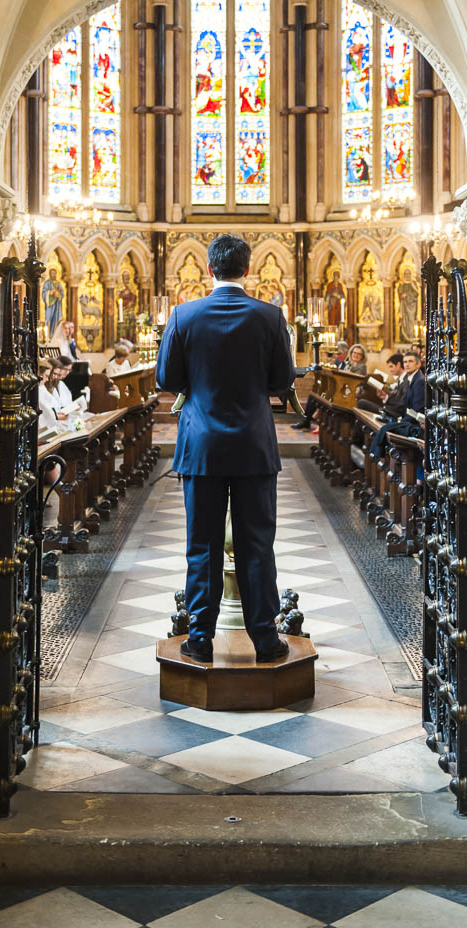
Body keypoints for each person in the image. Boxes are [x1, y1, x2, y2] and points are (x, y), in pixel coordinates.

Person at [155, 233, 295, 664]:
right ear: (248, 269)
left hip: (201, 448)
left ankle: (199, 639)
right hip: (254, 446)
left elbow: (166, 380)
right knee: (258, 544)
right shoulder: (270, 317)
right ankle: (266, 641)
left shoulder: (184, 315)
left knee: (202, 545)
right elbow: (282, 382)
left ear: (209, 269)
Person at [369, 350, 425, 461]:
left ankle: (377, 457)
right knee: (385, 428)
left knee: (386, 428)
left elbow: (417, 409)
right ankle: (376, 456)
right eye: (405, 362)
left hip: (415, 423)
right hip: (407, 419)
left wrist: (401, 421)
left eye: (411, 362)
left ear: (418, 364)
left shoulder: (419, 381)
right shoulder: (412, 379)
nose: (407, 364)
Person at [291, 340, 350, 430]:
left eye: (339, 354)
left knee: (323, 397)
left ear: (346, 353)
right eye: (336, 354)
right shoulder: (342, 363)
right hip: (337, 389)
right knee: (314, 396)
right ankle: (307, 420)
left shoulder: (355, 366)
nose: (337, 356)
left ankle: (314, 420)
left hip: (343, 394)